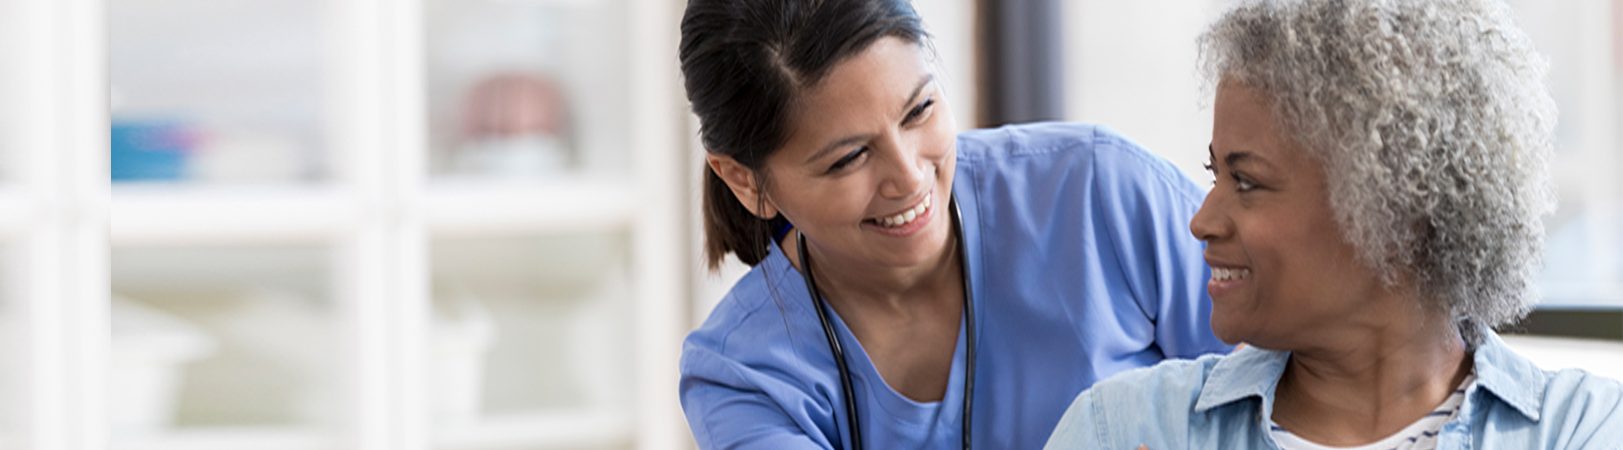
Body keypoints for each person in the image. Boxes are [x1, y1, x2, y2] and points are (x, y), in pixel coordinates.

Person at [1042, 0, 1623, 449]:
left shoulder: (1585, 431)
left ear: (1395, 213)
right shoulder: (1122, 428)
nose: (1201, 220)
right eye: (1213, 173)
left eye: (1246, 182)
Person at [676, 0, 1233, 448]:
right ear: (745, 181)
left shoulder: (1098, 193)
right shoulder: (743, 376)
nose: (910, 176)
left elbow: (1296, 380)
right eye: (849, 158)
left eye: (918, 110)